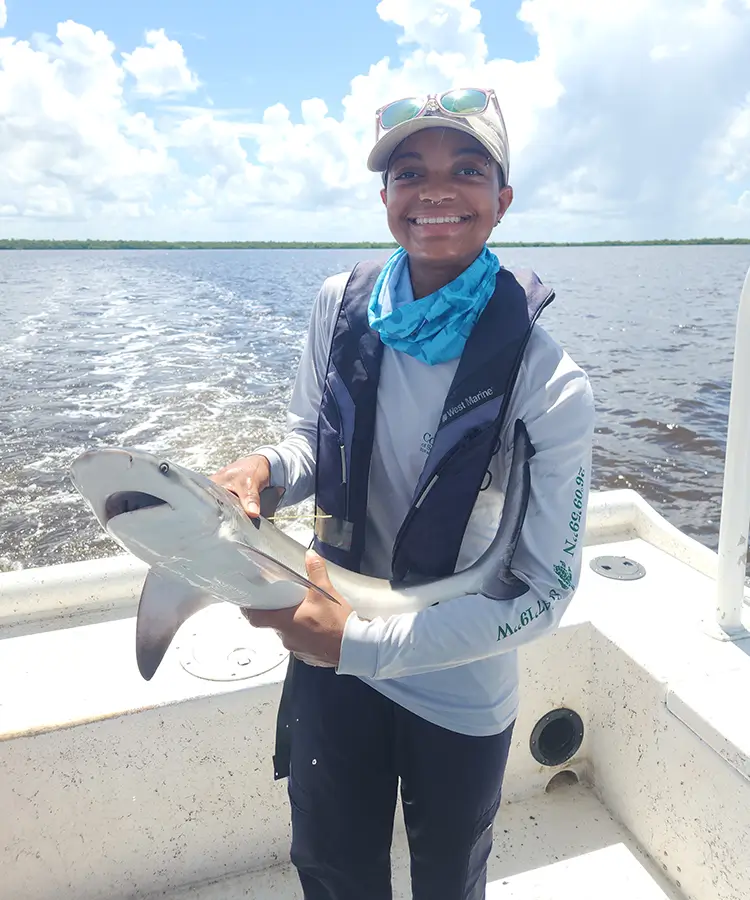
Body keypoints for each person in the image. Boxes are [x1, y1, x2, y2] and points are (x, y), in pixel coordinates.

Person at [211, 88, 595, 900]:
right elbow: (313, 441)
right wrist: (265, 470)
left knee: (450, 878)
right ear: (385, 198)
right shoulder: (336, 305)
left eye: (466, 169)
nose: (436, 191)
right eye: (408, 171)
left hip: (459, 676)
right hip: (330, 649)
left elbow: (547, 592)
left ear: (502, 200)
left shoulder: (549, 380)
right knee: (332, 866)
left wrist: (358, 643)